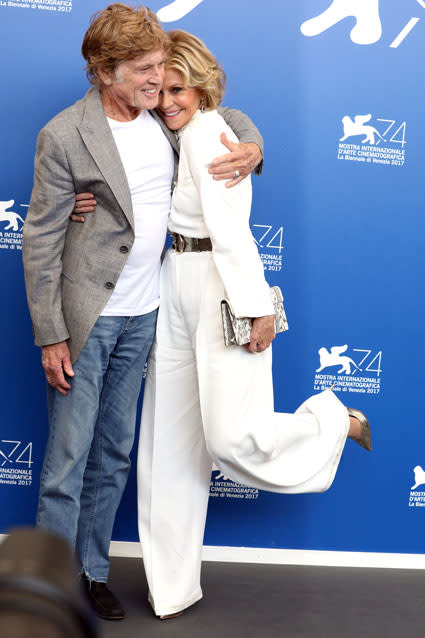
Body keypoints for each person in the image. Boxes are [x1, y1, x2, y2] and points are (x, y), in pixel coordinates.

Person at [22, 4, 264, 622]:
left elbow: (219, 114)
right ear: (104, 71)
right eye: (143, 69)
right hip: (86, 318)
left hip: (149, 314)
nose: (158, 80)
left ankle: (93, 571)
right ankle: (48, 587)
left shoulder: (164, 118)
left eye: (161, 66)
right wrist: (50, 334)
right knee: (67, 461)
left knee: (115, 453)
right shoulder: (65, 134)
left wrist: (253, 144)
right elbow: (41, 239)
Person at [134, 30, 372, 619]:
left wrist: (256, 306)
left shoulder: (213, 132)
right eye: (161, 89)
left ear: (202, 84)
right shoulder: (174, 129)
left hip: (221, 286)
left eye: (179, 89)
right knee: (166, 446)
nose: (167, 101)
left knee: (230, 440)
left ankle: (332, 420)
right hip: (173, 279)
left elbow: (233, 233)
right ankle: (170, 589)